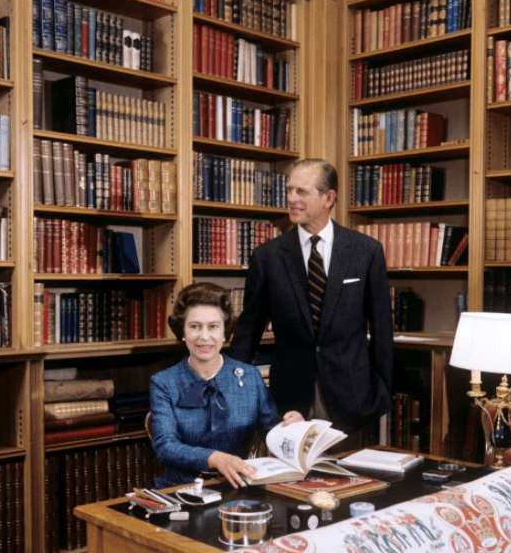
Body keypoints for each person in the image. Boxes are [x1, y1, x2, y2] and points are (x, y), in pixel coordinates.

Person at [230, 158, 393, 436]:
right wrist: (235, 392)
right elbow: (248, 332)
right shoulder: (267, 257)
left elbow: (382, 330)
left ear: (328, 198)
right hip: (289, 400)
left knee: (350, 479)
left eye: (302, 191)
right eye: (290, 190)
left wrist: (382, 392)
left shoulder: (366, 251)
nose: (292, 198)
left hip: (352, 399)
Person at [149, 282, 303, 489]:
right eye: (195, 326)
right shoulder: (164, 383)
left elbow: (272, 432)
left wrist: (293, 429)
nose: (204, 336)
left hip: (238, 485)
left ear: (225, 331)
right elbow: (165, 446)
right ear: (182, 331)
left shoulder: (249, 376)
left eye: (213, 326)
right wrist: (213, 458)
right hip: (181, 489)